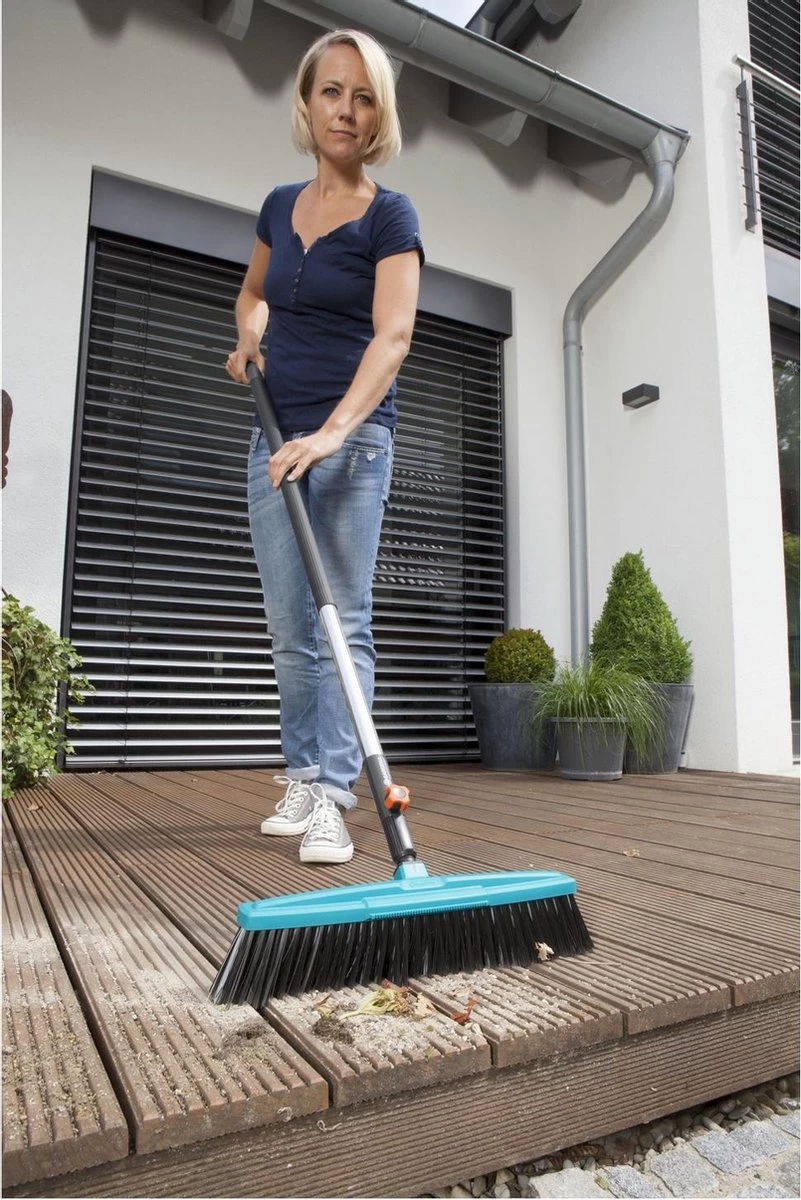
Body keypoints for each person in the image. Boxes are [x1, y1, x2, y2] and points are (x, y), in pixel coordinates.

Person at [225, 29, 423, 865]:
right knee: (289, 627)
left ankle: (337, 796)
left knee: (342, 622)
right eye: (331, 91)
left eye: (363, 96)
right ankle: (304, 775)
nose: (345, 109)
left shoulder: (389, 215)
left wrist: (333, 433)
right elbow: (252, 293)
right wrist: (249, 336)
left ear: (379, 114)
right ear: (306, 103)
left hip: (351, 441)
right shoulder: (279, 205)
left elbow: (394, 336)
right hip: (274, 435)